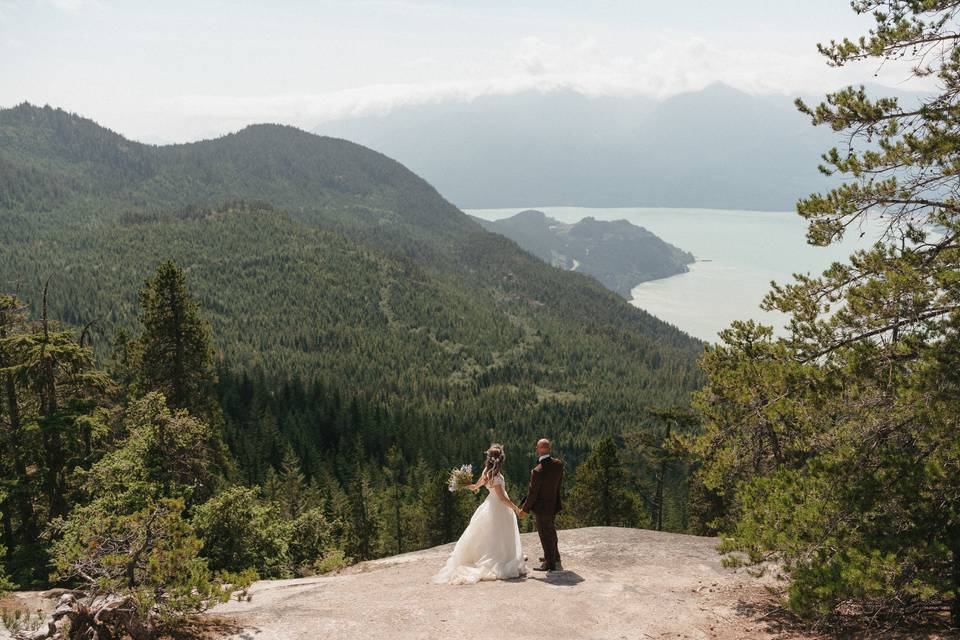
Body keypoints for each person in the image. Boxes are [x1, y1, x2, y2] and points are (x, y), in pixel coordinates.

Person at [431, 444, 527, 585]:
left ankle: (494, 557)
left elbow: (475, 486)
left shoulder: (486, 473)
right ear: (501, 460)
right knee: (500, 535)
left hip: (489, 505)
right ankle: (502, 560)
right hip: (499, 507)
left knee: (489, 535)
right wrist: (516, 508)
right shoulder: (497, 478)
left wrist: (467, 484)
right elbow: (501, 498)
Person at [518, 438, 564, 571]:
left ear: (537, 450)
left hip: (542, 508)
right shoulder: (558, 464)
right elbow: (558, 485)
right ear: (549, 449)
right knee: (551, 530)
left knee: (545, 534)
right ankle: (554, 557)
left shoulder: (537, 471)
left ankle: (549, 564)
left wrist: (524, 510)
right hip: (553, 504)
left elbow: (533, 494)